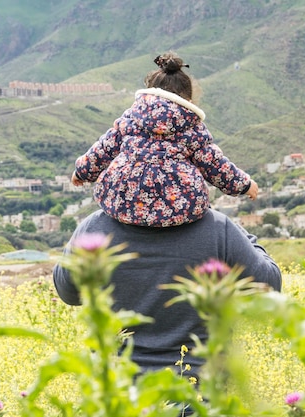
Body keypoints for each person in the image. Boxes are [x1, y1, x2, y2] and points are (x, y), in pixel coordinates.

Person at [52, 208, 282, 379]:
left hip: (118, 392)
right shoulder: (218, 226)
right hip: (199, 392)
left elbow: (67, 292)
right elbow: (269, 285)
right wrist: (246, 239)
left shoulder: (94, 226)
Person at [71, 52, 259, 227]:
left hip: (122, 202)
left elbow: (103, 150)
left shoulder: (130, 119)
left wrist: (81, 172)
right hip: (179, 209)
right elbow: (215, 165)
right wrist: (244, 185)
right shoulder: (192, 127)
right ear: (189, 100)